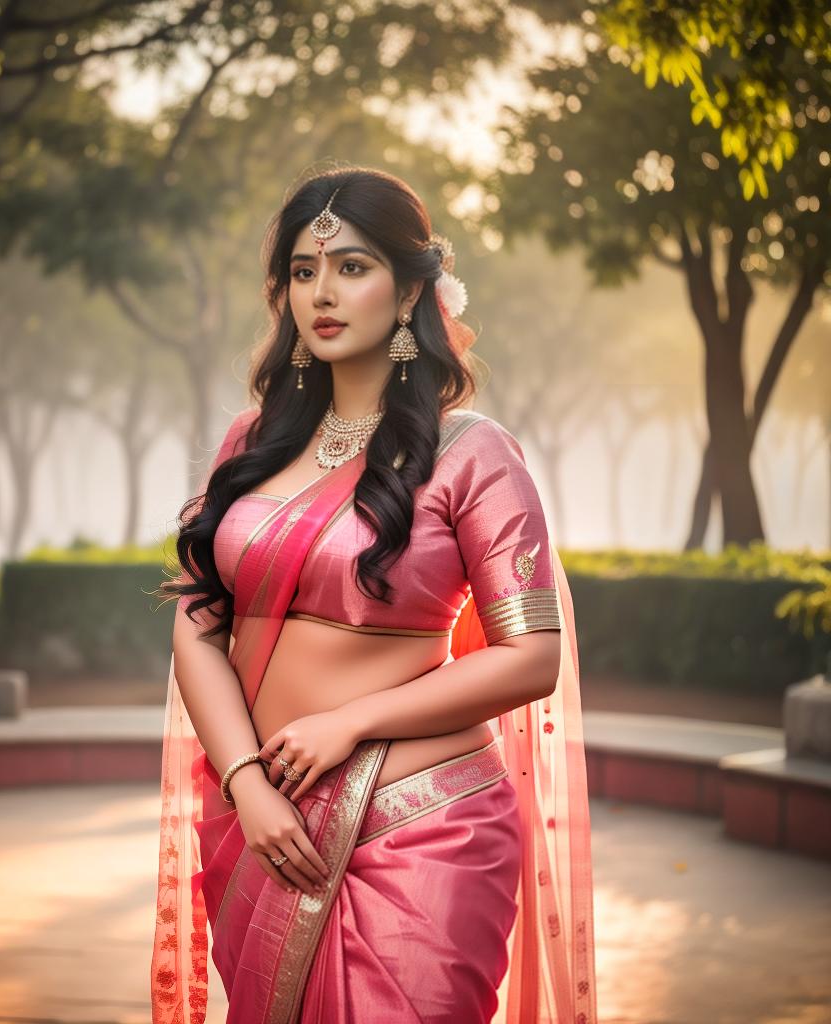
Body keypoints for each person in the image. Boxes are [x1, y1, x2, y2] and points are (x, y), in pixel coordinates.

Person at [151, 167, 597, 1024]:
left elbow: (532, 657)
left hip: (424, 827)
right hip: (261, 827)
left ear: (409, 291)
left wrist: (348, 724)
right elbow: (198, 629)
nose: (323, 292)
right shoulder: (252, 444)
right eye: (304, 270)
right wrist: (246, 782)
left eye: (352, 267)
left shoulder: (472, 455)